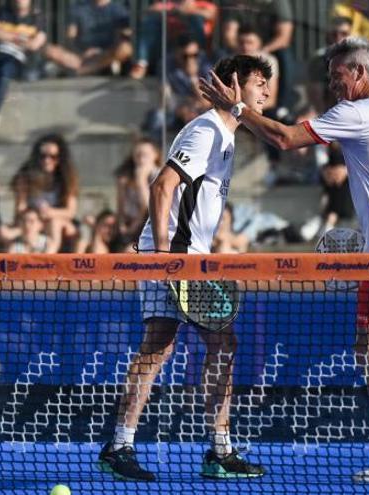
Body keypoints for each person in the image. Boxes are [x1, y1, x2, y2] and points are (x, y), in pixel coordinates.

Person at [201, 37, 369, 483]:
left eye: (336, 75)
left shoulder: (357, 112)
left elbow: (286, 138)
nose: (331, 84)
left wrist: (236, 108)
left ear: (360, 74)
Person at [98, 54, 272, 482]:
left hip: (193, 258)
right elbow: (162, 186)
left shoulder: (228, 136)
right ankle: (123, 446)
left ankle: (217, 449)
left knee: (210, 345)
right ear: (233, 84)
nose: (266, 90)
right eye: (258, 82)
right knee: (164, 345)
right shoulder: (206, 131)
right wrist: (164, 255)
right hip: (172, 257)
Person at [0, 0, 45, 134]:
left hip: (18, 57)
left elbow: (36, 44)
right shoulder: (2, 13)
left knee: (4, 73)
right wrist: (20, 37)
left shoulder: (37, 18)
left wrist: (6, 35)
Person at [11, 134, 79, 251]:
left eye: (53, 156)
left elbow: (70, 211)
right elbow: (20, 208)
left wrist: (50, 212)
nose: (47, 160)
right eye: (43, 156)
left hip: (58, 221)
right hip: (33, 220)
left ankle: (49, 259)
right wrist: (37, 214)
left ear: (59, 158)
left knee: (54, 223)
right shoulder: (25, 177)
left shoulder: (66, 179)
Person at [42, 0, 132, 76]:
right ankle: (89, 69)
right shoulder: (78, 8)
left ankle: (83, 71)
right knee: (49, 50)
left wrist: (100, 51)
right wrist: (81, 52)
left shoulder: (119, 10)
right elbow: (70, 37)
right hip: (81, 55)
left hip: (105, 55)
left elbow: (120, 37)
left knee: (125, 49)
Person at [114, 136, 162, 243]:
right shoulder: (126, 177)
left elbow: (150, 207)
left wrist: (141, 180)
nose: (141, 160)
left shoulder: (160, 176)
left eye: (145, 155)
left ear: (155, 155)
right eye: (137, 155)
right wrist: (121, 224)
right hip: (131, 224)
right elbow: (121, 208)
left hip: (151, 225)